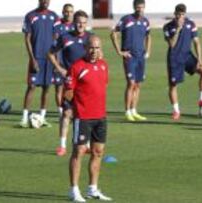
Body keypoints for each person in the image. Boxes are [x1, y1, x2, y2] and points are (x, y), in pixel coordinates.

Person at [65, 35, 112, 202]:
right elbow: (68, 91)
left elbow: (102, 86)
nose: (94, 51)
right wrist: (75, 108)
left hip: (100, 116)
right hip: (83, 117)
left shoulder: (103, 65)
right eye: (91, 48)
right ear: (85, 48)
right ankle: (74, 190)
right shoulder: (77, 67)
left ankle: (92, 188)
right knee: (79, 151)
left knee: (98, 152)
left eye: (97, 48)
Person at [48, 10, 92, 156]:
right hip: (70, 83)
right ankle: (62, 146)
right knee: (67, 113)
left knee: (86, 114)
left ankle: (86, 144)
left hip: (86, 82)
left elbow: (98, 55)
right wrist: (60, 68)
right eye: (79, 22)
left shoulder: (91, 38)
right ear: (74, 22)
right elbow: (50, 53)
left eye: (84, 23)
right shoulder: (65, 37)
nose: (81, 25)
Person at [163, 3, 202, 120]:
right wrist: (178, 29)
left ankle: (201, 100)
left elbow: (196, 42)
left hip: (187, 56)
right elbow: (172, 44)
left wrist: (199, 59)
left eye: (182, 15)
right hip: (174, 59)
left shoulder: (191, 24)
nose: (180, 17)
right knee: (173, 85)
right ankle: (176, 111)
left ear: (185, 14)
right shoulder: (167, 27)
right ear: (174, 14)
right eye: (178, 14)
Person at [19, 0, 60, 128]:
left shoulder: (54, 16)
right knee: (31, 87)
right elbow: (27, 39)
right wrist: (32, 59)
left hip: (49, 59)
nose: (45, 1)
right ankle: (24, 118)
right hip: (36, 57)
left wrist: (55, 59)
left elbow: (56, 38)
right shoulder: (30, 16)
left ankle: (42, 117)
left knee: (46, 88)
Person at [110, 0, 151, 122]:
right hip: (130, 57)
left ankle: (134, 110)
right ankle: (127, 111)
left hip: (140, 57)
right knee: (131, 83)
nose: (140, 9)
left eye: (142, 7)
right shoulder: (126, 19)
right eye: (138, 7)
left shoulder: (145, 22)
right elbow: (113, 34)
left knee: (138, 84)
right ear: (134, 7)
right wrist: (119, 51)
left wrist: (147, 51)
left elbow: (149, 36)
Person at [53, 3, 75, 116]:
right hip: (59, 63)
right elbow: (55, 45)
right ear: (63, 12)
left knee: (71, 88)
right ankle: (61, 112)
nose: (68, 14)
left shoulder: (75, 26)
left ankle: (70, 109)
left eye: (71, 11)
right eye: (66, 11)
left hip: (71, 63)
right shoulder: (58, 26)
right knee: (59, 88)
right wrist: (56, 64)